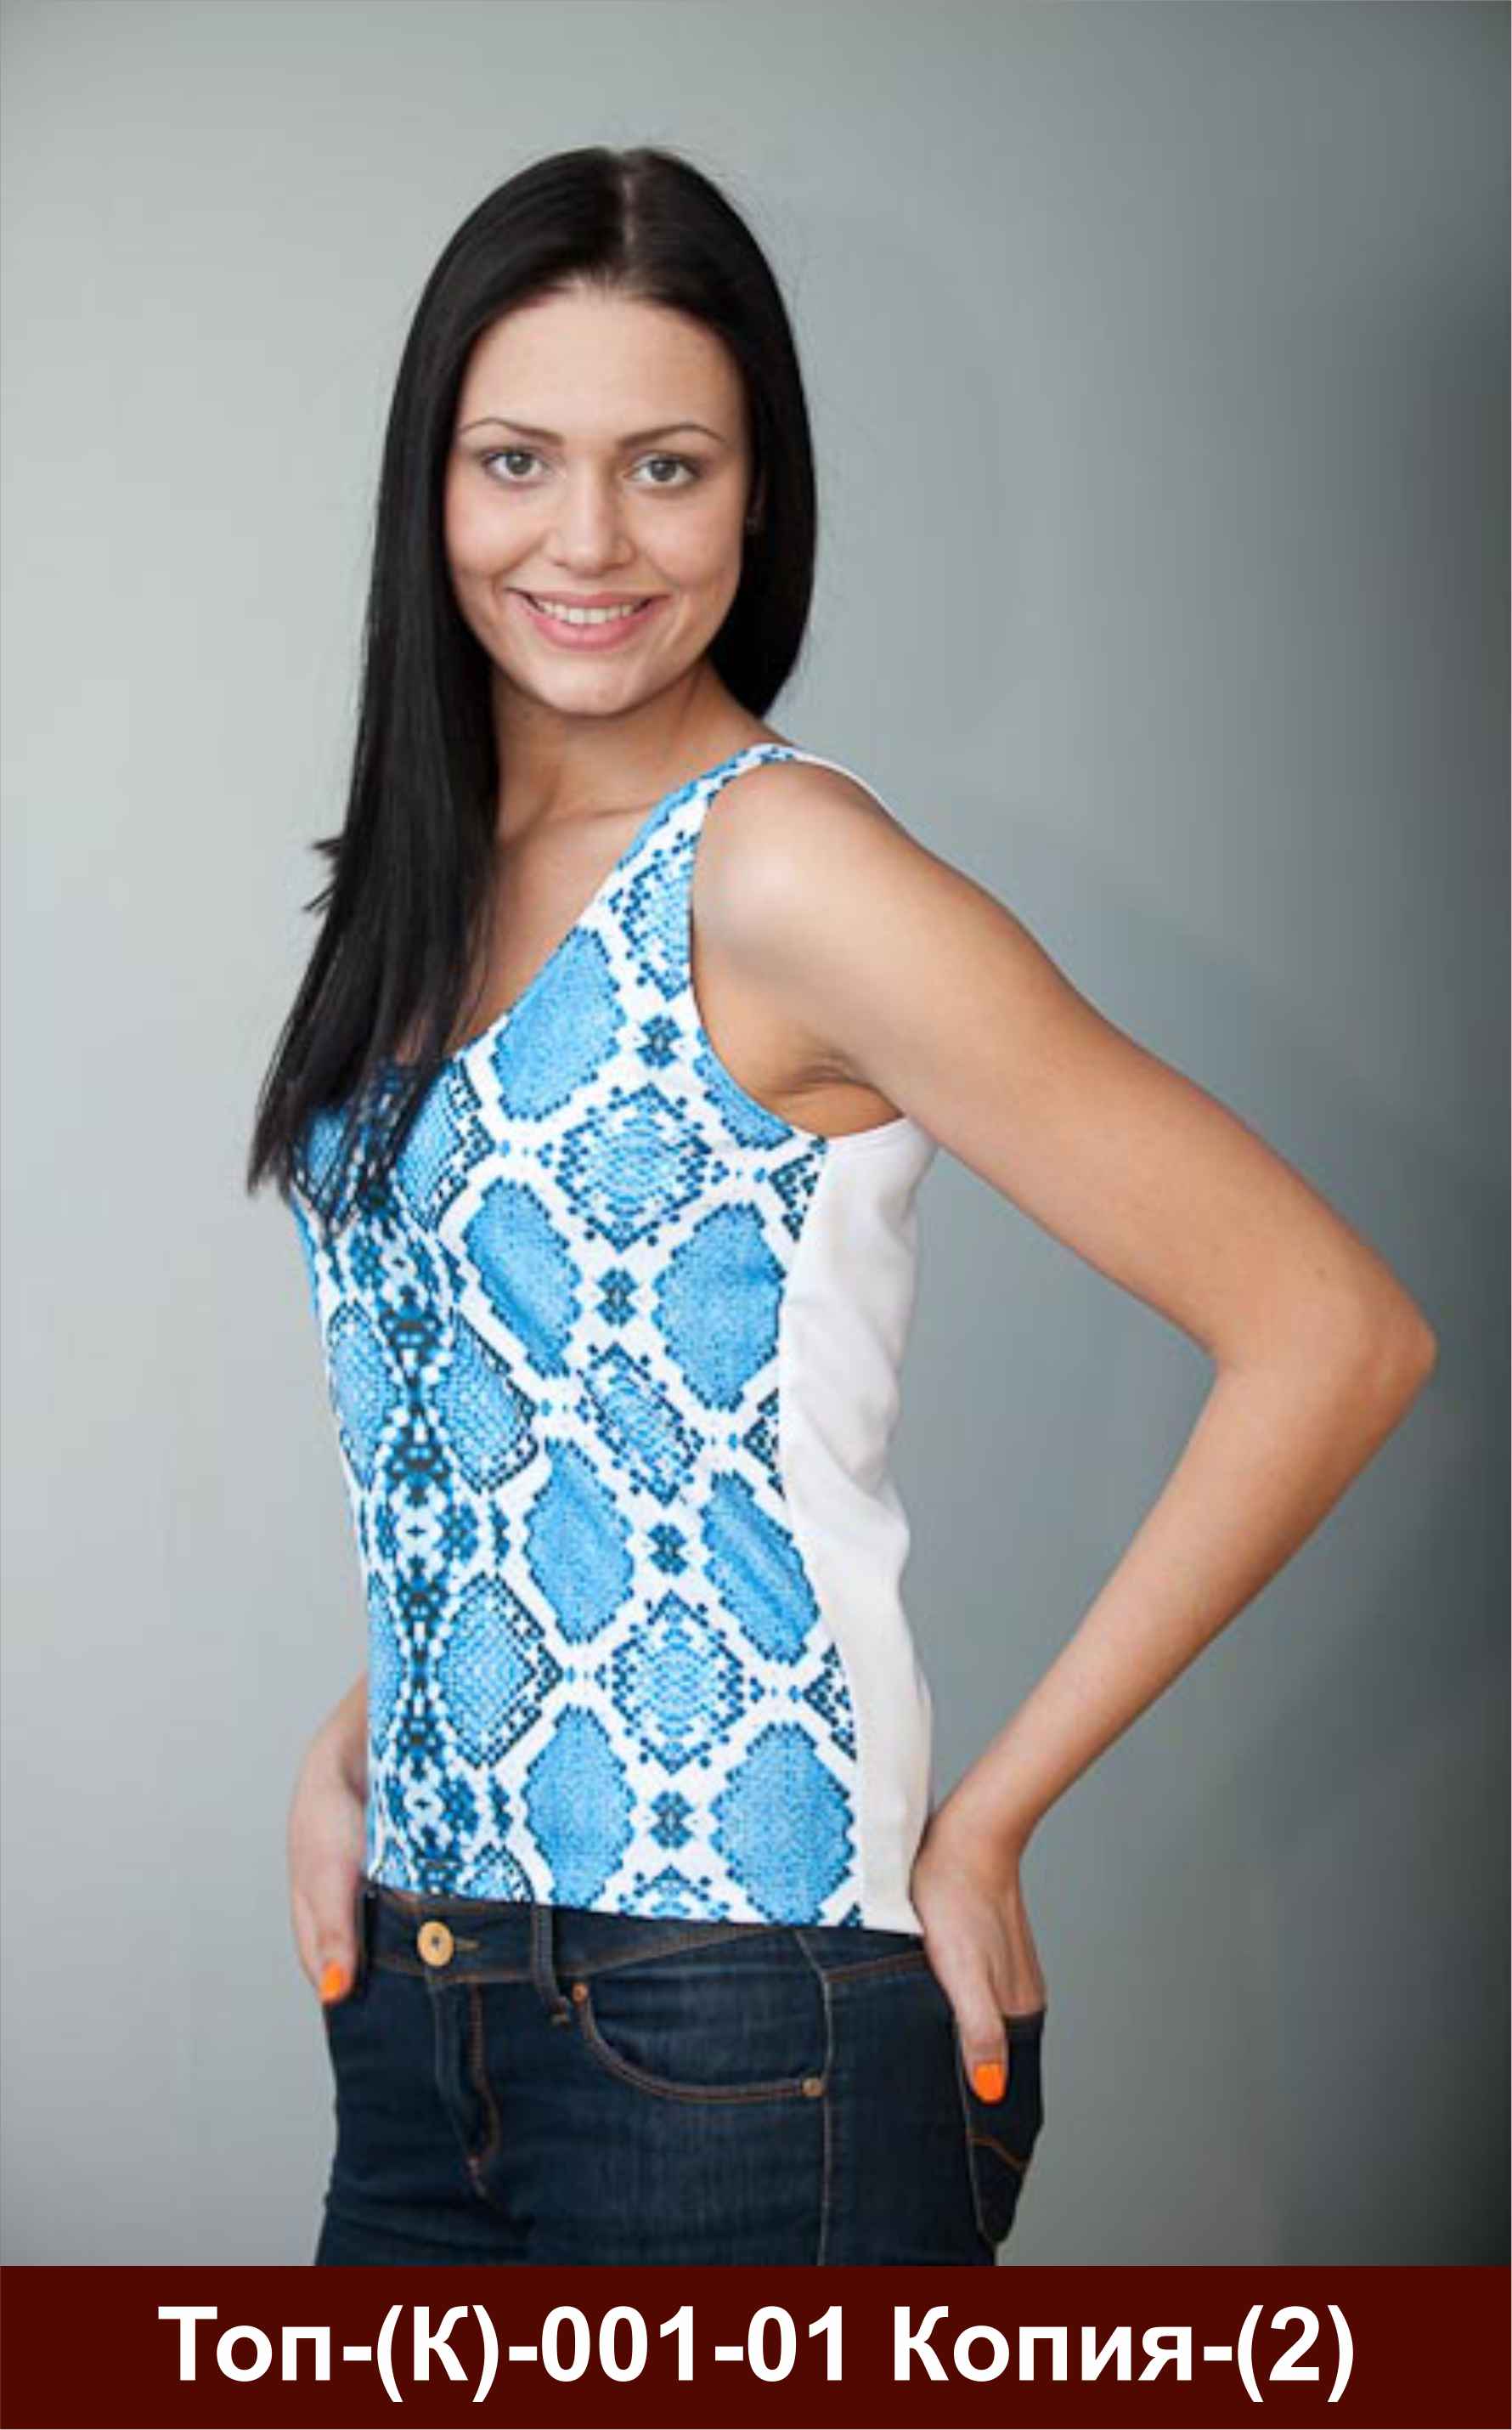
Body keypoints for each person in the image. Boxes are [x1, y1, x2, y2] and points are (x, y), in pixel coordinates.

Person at [245, 144, 1437, 2268]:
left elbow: (1330, 1328)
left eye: (666, 466)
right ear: (429, 487)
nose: (586, 539)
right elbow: (541, 1409)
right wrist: (373, 1728)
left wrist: (985, 1821)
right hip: (427, 2004)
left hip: (738, 2011)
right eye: (516, 460)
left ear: (756, 496)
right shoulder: (422, 888)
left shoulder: (786, 871)